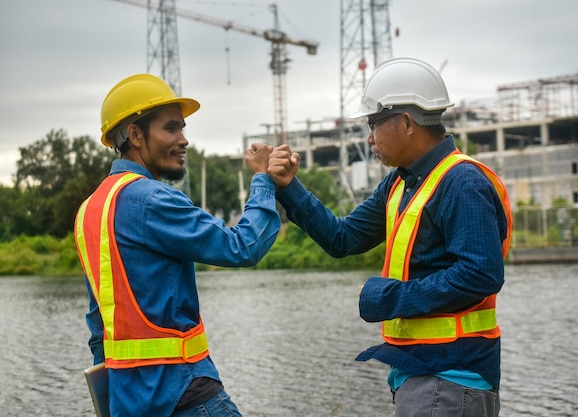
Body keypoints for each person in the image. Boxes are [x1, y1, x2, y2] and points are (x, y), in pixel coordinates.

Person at [267, 58, 512, 417]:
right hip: (423, 374)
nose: (369, 138)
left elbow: (481, 274)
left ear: (407, 123)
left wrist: (389, 296)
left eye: (373, 124)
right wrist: (289, 188)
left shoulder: (461, 182)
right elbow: (342, 237)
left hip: (451, 376)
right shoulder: (400, 183)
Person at [74, 73, 281, 417]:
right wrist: (262, 180)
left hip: (128, 403)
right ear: (136, 135)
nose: (184, 140)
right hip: (184, 393)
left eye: (182, 129)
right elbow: (242, 246)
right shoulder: (152, 199)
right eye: (171, 129)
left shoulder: (89, 210)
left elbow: (99, 325)